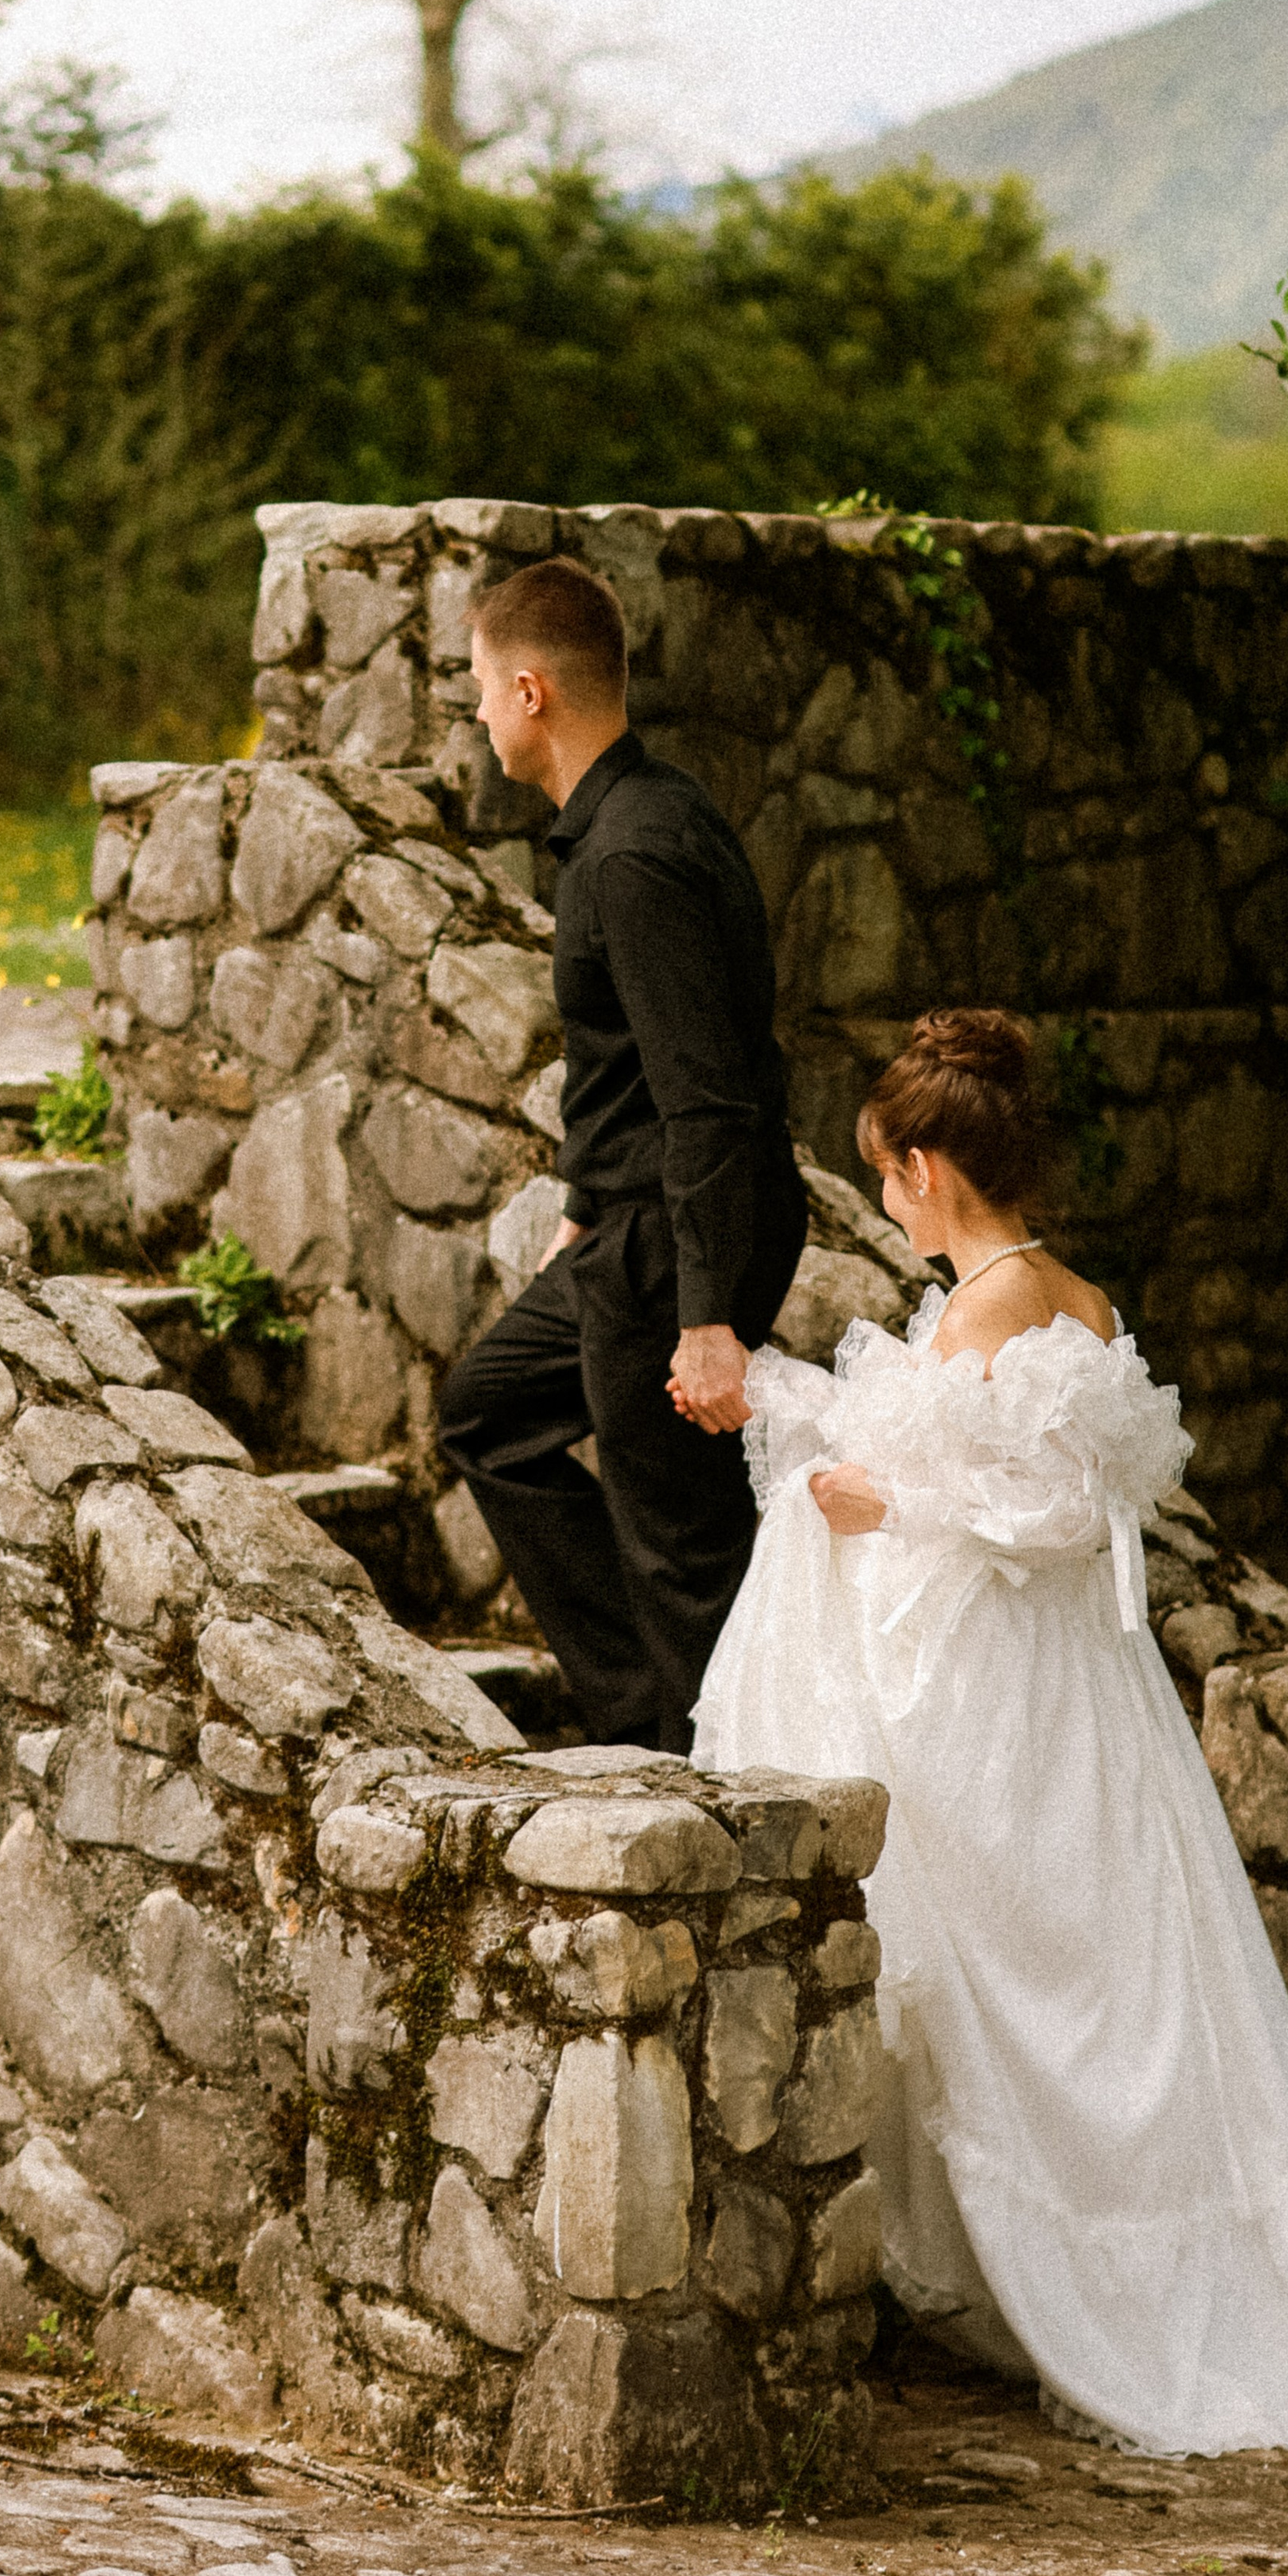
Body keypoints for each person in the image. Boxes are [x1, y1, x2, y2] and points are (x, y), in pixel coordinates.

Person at [693, 1007, 1288, 2456]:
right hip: (1070, 1683)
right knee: (1113, 1972)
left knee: (1040, 1969)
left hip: (1009, 1682)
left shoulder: (995, 1301)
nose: (883, 1196)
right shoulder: (1075, 1292)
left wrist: (891, 1506)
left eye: (885, 1170)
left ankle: (1131, 2295)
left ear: (929, 1166)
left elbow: (1060, 1517)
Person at [438, 557, 809, 1754]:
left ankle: (714, 1782)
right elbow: (642, 1071)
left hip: (675, 1248)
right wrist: (587, 1200)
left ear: (534, 692)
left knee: (683, 1554)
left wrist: (707, 1318)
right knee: (487, 1411)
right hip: (632, 1226)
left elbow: (708, 1104)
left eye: (483, 688)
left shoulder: (633, 858)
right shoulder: (646, 816)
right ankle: (644, 1711)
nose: (478, 711)